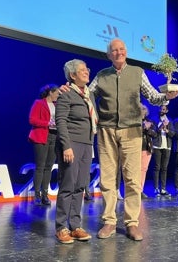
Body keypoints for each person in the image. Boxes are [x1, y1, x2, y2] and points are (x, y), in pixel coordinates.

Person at [90, 38, 178, 241]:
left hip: (132, 130)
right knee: (108, 178)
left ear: (126, 52)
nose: (118, 52)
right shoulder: (101, 76)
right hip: (106, 130)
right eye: (114, 50)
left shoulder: (138, 72)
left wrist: (167, 97)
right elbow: (87, 95)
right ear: (108, 55)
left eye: (121, 49)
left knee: (132, 178)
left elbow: (153, 96)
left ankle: (131, 223)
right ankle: (109, 221)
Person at [54, 59, 98, 244]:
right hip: (71, 144)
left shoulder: (88, 95)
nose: (87, 72)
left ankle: (75, 225)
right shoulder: (66, 94)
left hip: (87, 144)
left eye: (87, 69)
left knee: (80, 185)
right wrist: (66, 146)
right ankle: (61, 227)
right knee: (68, 186)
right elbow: (61, 121)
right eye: (82, 70)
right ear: (72, 75)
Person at [28, 84, 59, 205]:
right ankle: (37, 195)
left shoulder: (57, 105)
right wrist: (47, 123)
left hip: (54, 137)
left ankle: (45, 195)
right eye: (56, 93)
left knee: (49, 167)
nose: (58, 95)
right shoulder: (39, 103)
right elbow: (32, 119)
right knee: (40, 166)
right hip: (41, 135)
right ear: (50, 92)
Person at [152, 105, 175, 197]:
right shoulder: (154, 119)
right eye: (161, 109)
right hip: (157, 146)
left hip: (167, 146)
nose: (162, 110)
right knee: (157, 167)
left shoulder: (170, 120)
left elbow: (173, 134)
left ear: (167, 110)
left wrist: (167, 130)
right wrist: (161, 126)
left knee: (164, 168)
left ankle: (163, 189)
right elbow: (153, 133)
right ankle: (156, 188)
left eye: (164, 109)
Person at [140, 103, 157, 199]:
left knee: (143, 170)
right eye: (141, 109)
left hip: (147, 148)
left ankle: (140, 190)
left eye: (144, 109)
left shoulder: (150, 122)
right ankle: (133, 190)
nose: (143, 111)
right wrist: (143, 127)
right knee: (135, 170)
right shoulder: (134, 122)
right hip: (136, 148)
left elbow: (155, 134)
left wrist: (147, 129)